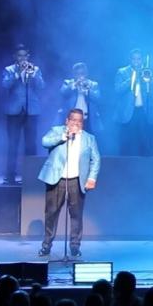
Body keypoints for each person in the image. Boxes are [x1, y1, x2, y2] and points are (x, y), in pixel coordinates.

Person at [37, 109, 101, 258]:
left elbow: (96, 159)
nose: (76, 123)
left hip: (77, 180)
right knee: (51, 214)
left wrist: (92, 178)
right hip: (56, 179)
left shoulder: (89, 138)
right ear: (67, 121)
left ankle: (74, 247)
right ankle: (46, 246)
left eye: (79, 121)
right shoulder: (57, 131)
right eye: (73, 120)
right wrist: (63, 137)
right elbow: (44, 141)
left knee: (76, 216)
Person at [3, 44, 45, 184]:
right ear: (15, 57)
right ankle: (10, 176)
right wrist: (17, 74)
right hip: (14, 111)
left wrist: (33, 76)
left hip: (31, 111)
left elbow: (41, 86)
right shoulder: (9, 70)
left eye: (25, 56)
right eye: (19, 55)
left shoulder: (35, 69)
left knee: (31, 144)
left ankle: (31, 175)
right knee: (13, 144)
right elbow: (5, 85)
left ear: (28, 56)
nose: (22, 58)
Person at [114, 48, 153, 156]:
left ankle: (144, 165)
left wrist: (149, 78)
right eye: (134, 59)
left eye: (138, 59)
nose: (136, 62)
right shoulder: (122, 72)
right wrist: (132, 78)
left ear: (142, 60)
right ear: (130, 60)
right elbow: (118, 90)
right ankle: (125, 164)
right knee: (127, 142)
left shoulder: (146, 71)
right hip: (128, 112)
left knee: (144, 141)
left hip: (144, 111)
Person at [59, 62, 101, 132]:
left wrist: (88, 91)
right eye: (77, 74)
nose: (80, 76)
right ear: (74, 75)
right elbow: (63, 93)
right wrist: (75, 85)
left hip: (88, 119)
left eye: (82, 74)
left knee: (88, 140)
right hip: (72, 119)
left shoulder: (93, 84)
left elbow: (97, 98)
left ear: (86, 74)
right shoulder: (67, 82)